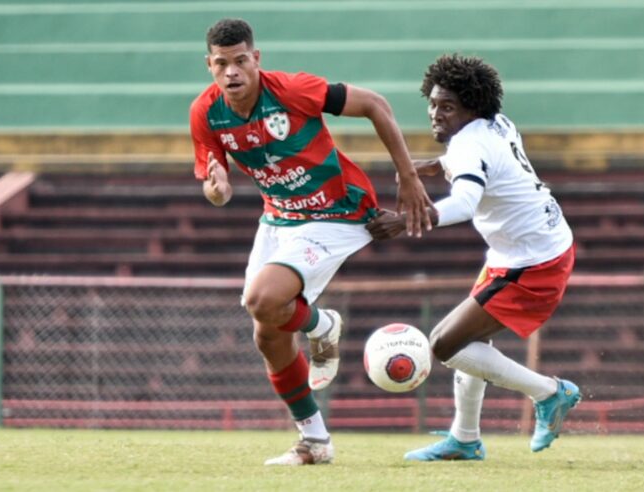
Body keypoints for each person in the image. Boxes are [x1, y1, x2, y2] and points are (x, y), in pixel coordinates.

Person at [189, 18, 432, 465]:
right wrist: (217, 188)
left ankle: (321, 325)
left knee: (262, 299)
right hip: (279, 218)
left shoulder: (294, 90)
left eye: (240, 61)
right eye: (221, 64)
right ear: (209, 65)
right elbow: (214, 181)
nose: (232, 72)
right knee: (266, 331)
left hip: (334, 212)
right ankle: (315, 442)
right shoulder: (205, 113)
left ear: (255, 58)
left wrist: (408, 175)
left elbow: (375, 105)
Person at [366, 53, 580, 460]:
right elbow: (486, 160)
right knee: (470, 340)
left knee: (445, 344)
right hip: (527, 246)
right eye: (431, 103)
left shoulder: (468, 144)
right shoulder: (496, 123)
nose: (435, 113)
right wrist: (436, 165)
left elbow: (465, 202)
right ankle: (464, 439)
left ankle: (551, 393)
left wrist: (404, 220)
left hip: (534, 261)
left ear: (471, 107)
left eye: (446, 106)